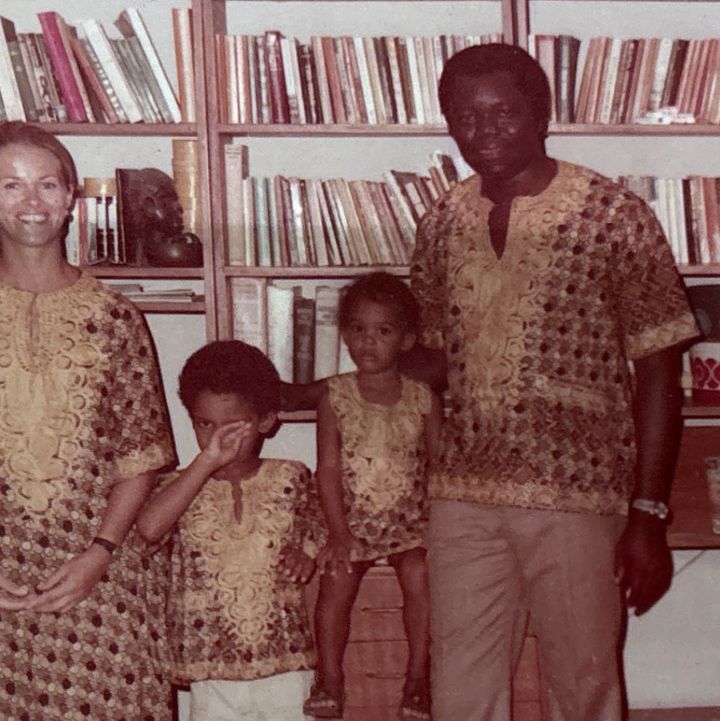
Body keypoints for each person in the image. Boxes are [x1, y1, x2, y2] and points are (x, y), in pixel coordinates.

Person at [407, 44, 700, 721]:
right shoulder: (443, 220)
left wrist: (648, 513)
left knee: (583, 688)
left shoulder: (610, 214)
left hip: (576, 490)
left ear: (539, 113)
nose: (484, 134)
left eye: (503, 114)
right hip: (462, 494)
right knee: (462, 691)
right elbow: (433, 356)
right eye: (465, 118)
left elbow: (659, 368)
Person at [0, 121, 177, 719]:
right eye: (11, 186)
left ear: (72, 199)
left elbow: (142, 455)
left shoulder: (115, 318)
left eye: (47, 185)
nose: (31, 203)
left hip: (99, 578)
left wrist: (99, 553)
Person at [137, 340, 322, 721]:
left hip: (285, 662)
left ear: (266, 421)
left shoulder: (292, 476)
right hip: (211, 664)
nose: (218, 438)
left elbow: (321, 527)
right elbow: (149, 529)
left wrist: (307, 554)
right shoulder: (178, 486)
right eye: (204, 424)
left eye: (232, 427)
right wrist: (204, 464)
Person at [303, 272, 442, 721]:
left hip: (410, 523)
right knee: (337, 579)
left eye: (383, 331)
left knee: (421, 574)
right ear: (344, 335)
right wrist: (338, 534)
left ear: (406, 340)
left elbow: (439, 469)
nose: (368, 341)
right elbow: (326, 470)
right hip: (353, 522)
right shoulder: (335, 395)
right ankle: (329, 677)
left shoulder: (423, 398)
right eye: (358, 330)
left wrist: (441, 528)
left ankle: (418, 679)